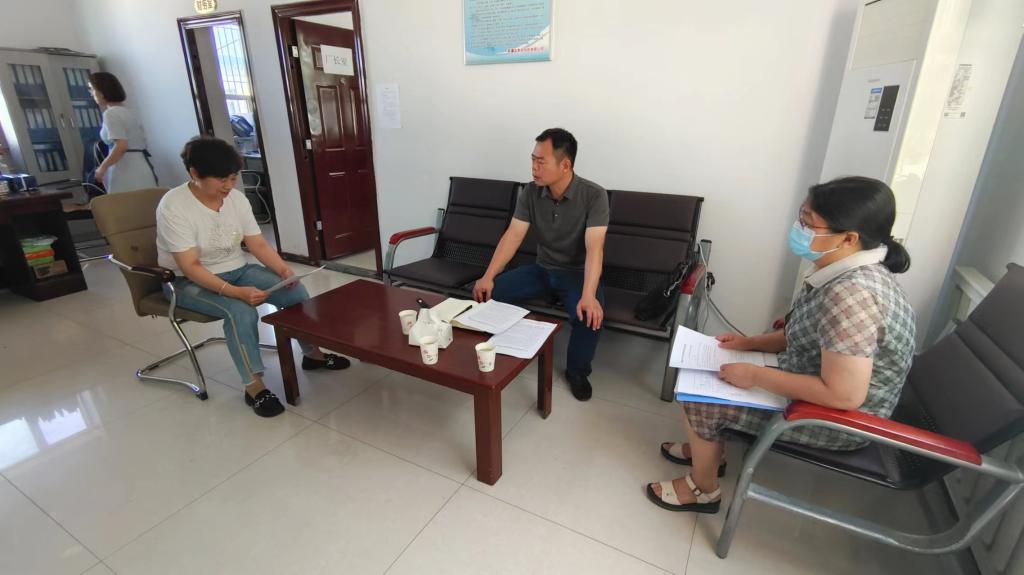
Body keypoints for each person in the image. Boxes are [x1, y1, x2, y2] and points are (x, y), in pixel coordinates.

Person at [647, 176, 916, 513]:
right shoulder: (840, 270)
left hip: (840, 419)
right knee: (704, 372)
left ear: (849, 238)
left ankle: (703, 490)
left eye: (809, 223)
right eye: (801, 217)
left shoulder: (853, 295)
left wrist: (755, 376)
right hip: (815, 380)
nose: (800, 229)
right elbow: (803, 332)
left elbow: (844, 395)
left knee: (698, 399)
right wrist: (750, 343)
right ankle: (708, 453)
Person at [156, 136, 350, 417]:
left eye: (233, 178)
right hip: (186, 282)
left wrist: (283, 271)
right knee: (240, 312)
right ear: (194, 173)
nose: (228, 186)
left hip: (237, 269)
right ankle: (254, 386)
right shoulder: (174, 205)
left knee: (294, 292)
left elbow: (257, 243)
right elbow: (190, 266)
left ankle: (313, 355)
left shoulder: (235, 199)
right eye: (221, 179)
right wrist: (236, 292)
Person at [472, 128, 609, 401]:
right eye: (532, 160)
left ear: (565, 165)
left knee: (589, 315)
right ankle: (502, 349)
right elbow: (513, 235)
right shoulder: (531, 192)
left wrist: (588, 294)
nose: (534, 168)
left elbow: (595, 248)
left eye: (541, 162)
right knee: (491, 292)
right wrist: (488, 276)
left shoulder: (594, 195)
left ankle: (577, 372)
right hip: (542, 269)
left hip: (577, 273)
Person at [88, 72, 158, 193]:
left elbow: (121, 146)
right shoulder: (129, 112)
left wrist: (102, 167)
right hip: (141, 165)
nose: (91, 93)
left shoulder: (110, 114)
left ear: (102, 92)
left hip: (125, 169)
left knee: (124, 203)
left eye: (92, 89)